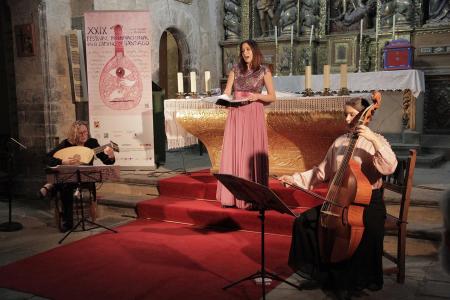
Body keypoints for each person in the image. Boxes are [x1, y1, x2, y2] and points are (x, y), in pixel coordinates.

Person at [279, 96, 398, 299]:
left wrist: (372, 138)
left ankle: (352, 282)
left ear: (365, 117)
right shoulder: (340, 141)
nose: (347, 119)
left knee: (361, 232)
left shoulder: (375, 141)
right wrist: (294, 179)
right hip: (339, 202)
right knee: (304, 222)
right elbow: (321, 172)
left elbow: (389, 166)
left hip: (368, 202)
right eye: (345, 114)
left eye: (351, 114)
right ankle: (322, 274)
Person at [216, 39, 276, 209]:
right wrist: (223, 99)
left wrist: (257, 96)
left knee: (249, 152)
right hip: (236, 114)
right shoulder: (235, 70)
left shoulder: (264, 70)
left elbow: (272, 97)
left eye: (248, 50)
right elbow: (227, 92)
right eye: (243, 51)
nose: (245, 53)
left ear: (254, 51)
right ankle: (232, 197)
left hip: (253, 113)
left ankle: (252, 196)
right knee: (234, 151)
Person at [45, 121, 115, 232]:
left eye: (86, 132)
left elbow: (107, 162)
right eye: (81, 133)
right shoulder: (66, 144)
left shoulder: (92, 143)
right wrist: (63, 161)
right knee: (65, 187)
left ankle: (49, 186)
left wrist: (111, 155)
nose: (84, 135)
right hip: (70, 178)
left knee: (62, 184)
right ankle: (68, 222)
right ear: (74, 134)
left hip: (86, 177)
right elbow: (47, 158)